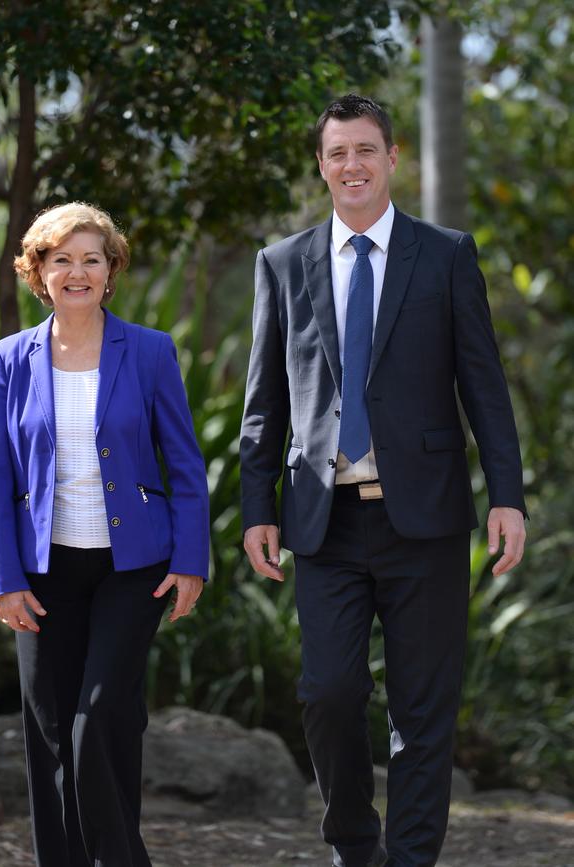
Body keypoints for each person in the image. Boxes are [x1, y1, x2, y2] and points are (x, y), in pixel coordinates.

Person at [240, 95, 526, 867]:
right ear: (322, 164)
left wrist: (507, 495)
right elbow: (264, 402)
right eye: (337, 153)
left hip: (425, 519)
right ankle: (353, 845)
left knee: (422, 713)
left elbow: (484, 386)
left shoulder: (445, 254)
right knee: (329, 693)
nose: (352, 166)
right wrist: (254, 508)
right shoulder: (283, 263)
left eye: (366, 149)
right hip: (323, 521)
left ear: (394, 158)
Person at [0, 202, 209, 867]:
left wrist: (190, 559)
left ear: (111, 271)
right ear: (38, 273)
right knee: (52, 737)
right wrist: (6, 581)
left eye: (91, 259)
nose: (77, 272)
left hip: (133, 568)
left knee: (100, 718)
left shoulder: (149, 351)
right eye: (61, 260)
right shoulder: (9, 360)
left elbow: (185, 463)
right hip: (42, 574)